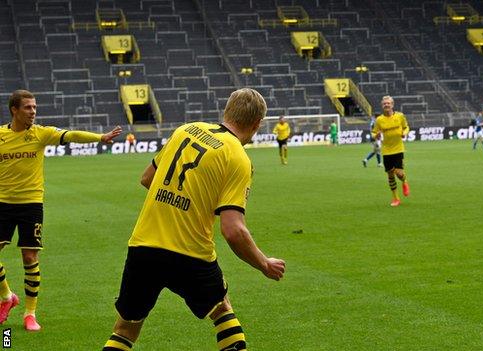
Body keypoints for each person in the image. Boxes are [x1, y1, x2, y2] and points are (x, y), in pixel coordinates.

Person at [102, 88, 285, 351]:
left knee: (125, 330)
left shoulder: (185, 130)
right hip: (190, 253)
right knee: (222, 311)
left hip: (143, 246)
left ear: (226, 111)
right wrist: (264, 263)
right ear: (256, 125)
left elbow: (147, 179)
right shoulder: (237, 157)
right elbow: (233, 230)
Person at [0, 89, 122, 331]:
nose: (33, 111)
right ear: (14, 110)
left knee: (29, 257)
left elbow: (72, 135)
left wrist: (100, 138)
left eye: (34, 107)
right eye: (28, 107)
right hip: (3, 203)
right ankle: (7, 296)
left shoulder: (40, 134)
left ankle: (30, 314)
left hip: (31, 203)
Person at [371, 95, 410, 207]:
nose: (386, 105)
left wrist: (404, 133)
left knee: (399, 173)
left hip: (398, 148)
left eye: (388, 103)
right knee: (390, 175)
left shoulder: (400, 116)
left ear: (392, 105)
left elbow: (406, 127)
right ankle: (396, 198)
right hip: (386, 150)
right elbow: (373, 133)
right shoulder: (379, 120)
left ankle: (404, 181)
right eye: (384, 104)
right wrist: (376, 135)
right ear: (382, 106)